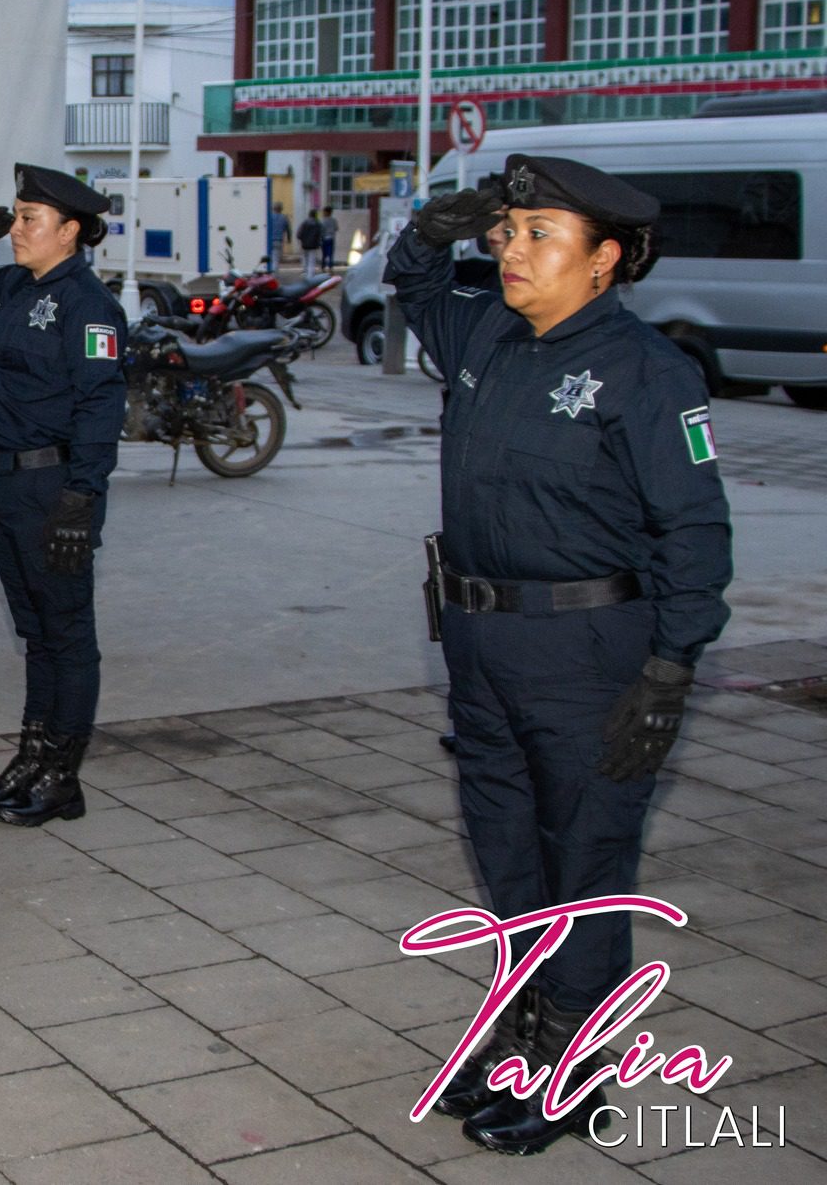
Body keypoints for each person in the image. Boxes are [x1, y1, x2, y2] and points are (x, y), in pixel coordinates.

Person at [391, 153, 731, 1157]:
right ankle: (524, 1035)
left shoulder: (647, 375)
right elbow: (412, 285)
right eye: (510, 231)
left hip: (588, 652)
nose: (513, 251)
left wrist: (670, 669)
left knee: (583, 861)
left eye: (542, 235)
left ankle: (572, 1068)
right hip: (478, 641)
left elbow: (694, 535)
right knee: (504, 848)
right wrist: (430, 228)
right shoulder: (487, 335)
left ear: (605, 261)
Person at [0, 165, 127, 827]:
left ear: (69, 230)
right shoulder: (22, 286)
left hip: (52, 490)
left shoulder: (90, 307)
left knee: (67, 633)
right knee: (38, 633)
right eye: (17, 216)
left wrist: (83, 495)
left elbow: (101, 406)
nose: (17, 230)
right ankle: (34, 755)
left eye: (29, 219)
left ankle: (63, 774)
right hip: (2, 487)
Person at [297, 209, 323, 277]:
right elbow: (321, 234)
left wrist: (301, 239)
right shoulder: (318, 223)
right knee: (312, 261)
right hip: (314, 245)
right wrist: (319, 243)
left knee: (305, 259)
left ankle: (305, 272)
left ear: (309, 214)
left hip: (305, 244)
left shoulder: (304, 222)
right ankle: (310, 275)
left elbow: (299, 234)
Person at [320, 206, 338, 271]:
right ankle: (330, 267)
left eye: (324, 212)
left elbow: (321, 230)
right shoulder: (334, 220)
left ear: (327, 212)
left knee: (324, 254)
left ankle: (323, 267)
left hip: (324, 239)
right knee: (330, 254)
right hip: (331, 238)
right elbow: (336, 228)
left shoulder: (322, 220)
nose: (323, 213)